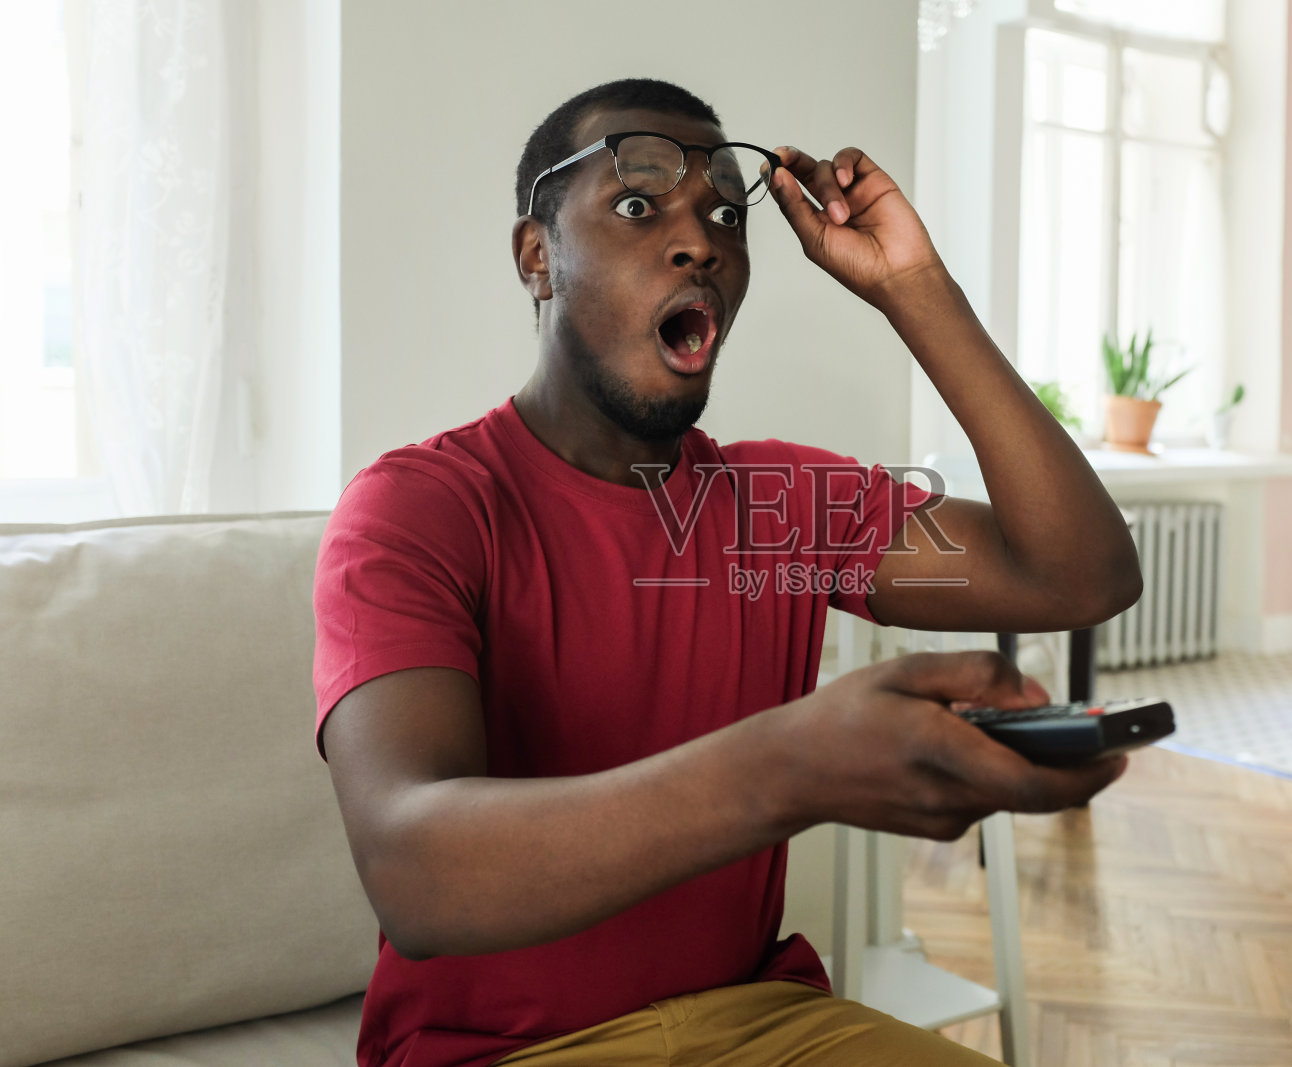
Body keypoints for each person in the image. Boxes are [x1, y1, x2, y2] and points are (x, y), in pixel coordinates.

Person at [313, 78, 1142, 1067]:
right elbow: (416, 873)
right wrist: (790, 764)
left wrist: (915, 291)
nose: (700, 240)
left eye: (723, 214)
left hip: (763, 1020)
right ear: (538, 258)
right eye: (636, 204)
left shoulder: (777, 503)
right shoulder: (419, 508)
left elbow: (1077, 577)